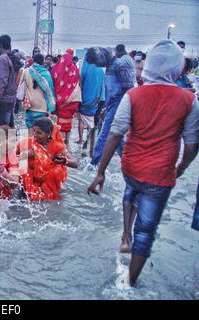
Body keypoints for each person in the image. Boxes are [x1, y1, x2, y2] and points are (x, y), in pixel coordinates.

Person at [88, 40, 199, 287]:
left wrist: (101, 172)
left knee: (130, 192)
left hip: (132, 167)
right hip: (160, 174)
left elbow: (115, 133)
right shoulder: (189, 100)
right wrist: (181, 168)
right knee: (146, 231)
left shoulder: (134, 95)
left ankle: (125, 236)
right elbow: (192, 145)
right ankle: (129, 284)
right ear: (178, 67)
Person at [90, 45, 135, 166]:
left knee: (104, 134)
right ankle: (127, 161)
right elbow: (110, 90)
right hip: (111, 104)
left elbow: (129, 87)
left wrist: (122, 108)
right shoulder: (109, 67)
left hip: (118, 104)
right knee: (116, 136)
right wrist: (106, 107)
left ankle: (93, 163)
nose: (96, 64)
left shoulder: (119, 65)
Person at [17, 118, 79, 201]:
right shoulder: (26, 143)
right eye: (34, 131)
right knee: (23, 169)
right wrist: (24, 154)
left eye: (39, 133)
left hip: (47, 180)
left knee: (57, 171)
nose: (35, 135)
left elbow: (75, 163)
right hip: (30, 179)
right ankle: (25, 193)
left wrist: (64, 161)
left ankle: (48, 193)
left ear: (48, 134)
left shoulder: (57, 146)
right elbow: (12, 158)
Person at [77, 48, 106, 157]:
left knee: (81, 120)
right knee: (93, 123)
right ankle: (91, 146)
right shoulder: (100, 69)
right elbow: (103, 85)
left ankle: (81, 140)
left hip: (84, 99)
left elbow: (81, 83)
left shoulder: (84, 66)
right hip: (98, 99)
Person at [51, 50, 82, 145]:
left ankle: (61, 142)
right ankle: (67, 141)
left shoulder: (57, 69)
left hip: (61, 100)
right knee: (69, 119)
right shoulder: (75, 69)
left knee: (61, 120)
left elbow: (52, 81)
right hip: (74, 99)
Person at [19, 53, 56, 130]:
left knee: (30, 129)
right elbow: (50, 91)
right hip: (43, 107)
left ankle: (30, 142)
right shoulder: (46, 73)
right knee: (41, 132)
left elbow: (20, 87)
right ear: (43, 61)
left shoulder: (26, 71)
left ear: (33, 60)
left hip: (30, 105)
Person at [0, 35, 20, 128]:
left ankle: (5, 142)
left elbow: (1, 81)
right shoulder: (11, 57)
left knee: (3, 128)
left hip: (3, 99)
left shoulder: (2, 59)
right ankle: (11, 142)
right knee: (9, 126)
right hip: (10, 97)